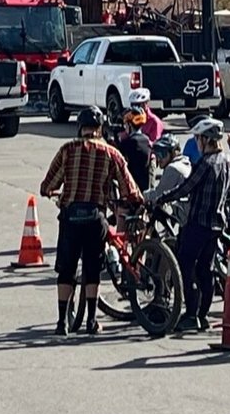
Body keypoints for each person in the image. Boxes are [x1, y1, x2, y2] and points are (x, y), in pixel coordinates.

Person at [39, 108, 144, 336]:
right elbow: (129, 188)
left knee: (66, 270)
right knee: (92, 269)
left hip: (70, 217)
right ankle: (92, 321)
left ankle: (61, 323)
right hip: (95, 217)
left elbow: (48, 185)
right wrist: (137, 201)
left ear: (80, 127)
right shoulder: (111, 153)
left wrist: (51, 192)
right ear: (100, 128)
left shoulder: (67, 150)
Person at [152, 118, 230, 333]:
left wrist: (162, 198)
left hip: (197, 223)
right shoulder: (227, 161)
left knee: (185, 268)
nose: (197, 142)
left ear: (206, 139)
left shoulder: (205, 163)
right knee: (205, 270)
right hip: (216, 224)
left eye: (199, 138)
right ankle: (202, 315)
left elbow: (186, 188)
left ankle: (190, 315)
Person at [143, 134, 191, 215]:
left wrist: (142, 195)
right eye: (157, 154)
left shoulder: (173, 168)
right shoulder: (185, 162)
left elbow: (158, 193)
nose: (159, 158)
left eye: (162, 153)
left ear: (173, 153)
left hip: (185, 216)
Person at [114, 97, 154, 191]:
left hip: (132, 187)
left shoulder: (128, 142)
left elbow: (118, 158)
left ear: (129, 125)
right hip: (145, 185)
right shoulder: (146, 140)